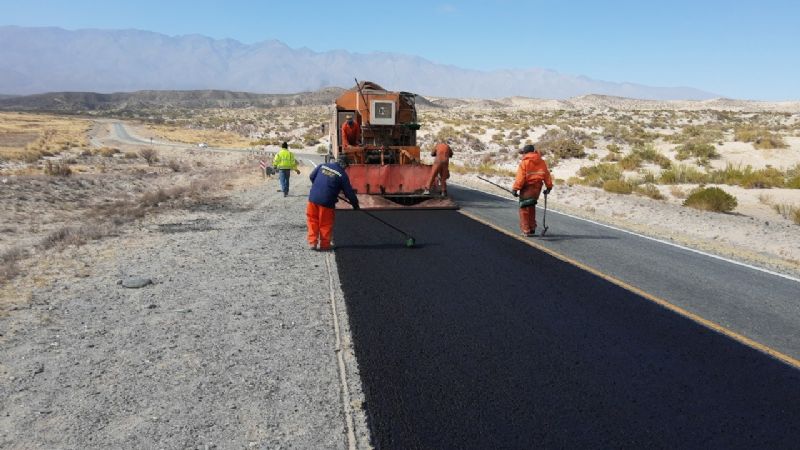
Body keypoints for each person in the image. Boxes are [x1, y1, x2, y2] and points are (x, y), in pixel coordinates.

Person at [307, 158, 360, 251]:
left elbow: (311, 176)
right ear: (344, 166)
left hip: (313, 199)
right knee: (325, 223)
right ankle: (325, 245)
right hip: (326, 202)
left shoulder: (322, 166)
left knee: (312, 220)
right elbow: (349, 193)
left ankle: (312, 243)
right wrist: (355, 205)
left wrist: (319, 187)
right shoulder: (342, 174)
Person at [512, 144, 553, 236]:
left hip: (527, 188)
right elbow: (546, 175)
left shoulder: (524, 162)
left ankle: (526, 230)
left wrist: (515, 189)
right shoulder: (541, 162)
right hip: (537, 189)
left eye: (523, 153)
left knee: (524, 208)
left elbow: (520, 178)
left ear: (526, 153)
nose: (522, 155)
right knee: (531, 206)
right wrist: (549, 187)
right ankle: (532, 228)